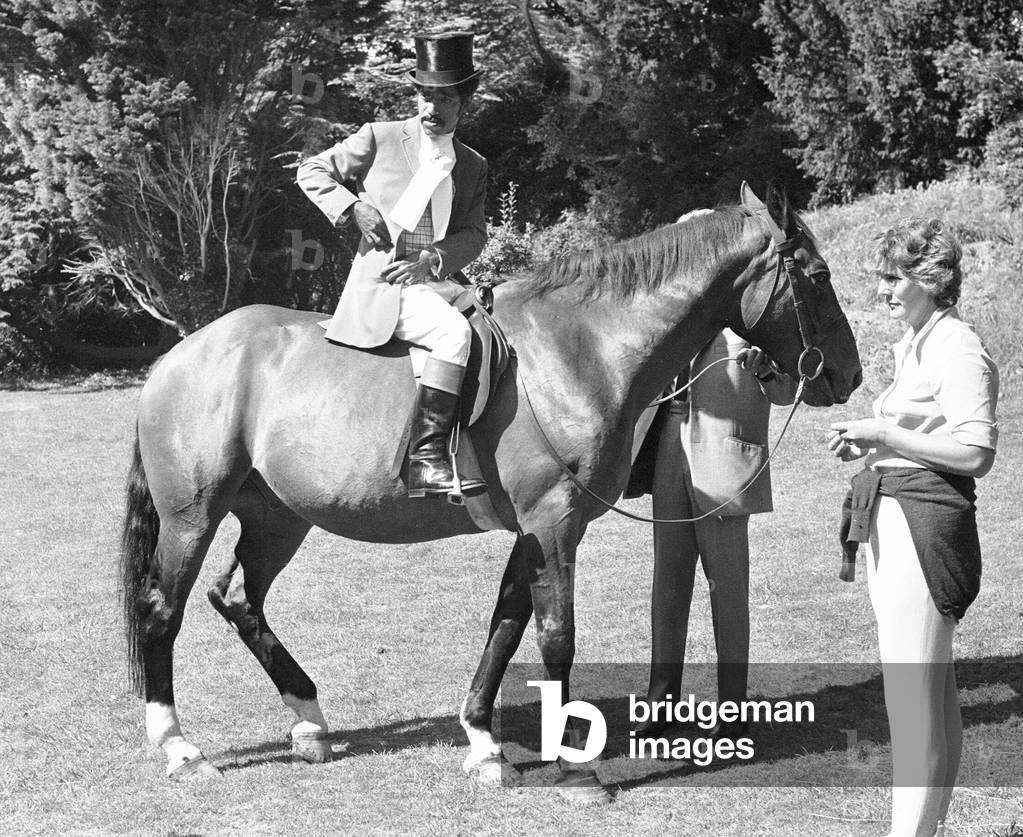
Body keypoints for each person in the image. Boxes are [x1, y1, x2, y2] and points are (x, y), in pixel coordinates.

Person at [827, 218, 998, 837]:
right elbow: (923, 437)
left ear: (930, 279)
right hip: (893, 513)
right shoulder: (918, 343)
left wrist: (884, 435)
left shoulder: (956, 346)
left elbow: (976, 452)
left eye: (892, 277)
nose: (882, 290)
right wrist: (869, 446)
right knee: (929, 695)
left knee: (912, 698)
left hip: (923, 522)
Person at [296, 31, 487, 499]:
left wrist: (434, 260)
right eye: (425, 95)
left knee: (497, 333)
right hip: (382, 286)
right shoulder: (379, 137)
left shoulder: (471, 164)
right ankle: (426, 459)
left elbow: (473, 234)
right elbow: (312, 170)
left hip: (433, 283)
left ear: (464, 101)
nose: (432, 107)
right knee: (453, 334)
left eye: (444, 97)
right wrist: (352, 207)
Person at [628, 327, 797, 737]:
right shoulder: (687, 303)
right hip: (669, 441)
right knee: (667, 583)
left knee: (728, 590)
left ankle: (733, 712)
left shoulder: (754, 315)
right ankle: (661, 706)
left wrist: (767, 372)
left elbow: (788, 391)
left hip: (724, 458)